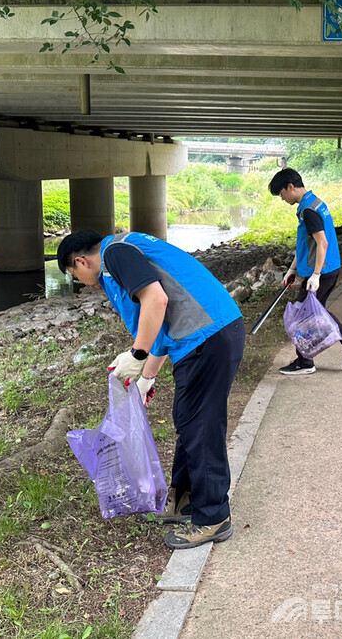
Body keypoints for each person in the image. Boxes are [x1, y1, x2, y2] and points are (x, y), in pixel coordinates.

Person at [57, 229, 245, 550]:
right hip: (205, 338)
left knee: (201, 426)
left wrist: (138, 355)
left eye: (75, 275)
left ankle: (213, 516)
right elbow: (156, 320)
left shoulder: (114, 254)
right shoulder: (121, 254)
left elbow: (156, 300)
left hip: (208, 337)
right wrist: (148, 376)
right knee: (187, 419)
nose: (79, 280)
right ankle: (187, 500)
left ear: (80, 261)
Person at [268, 168, 342, 376]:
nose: (282, 199)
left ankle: (306, 361)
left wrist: (316, 274)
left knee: (304, 315)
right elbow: (306, 244)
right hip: (324, 269)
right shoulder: (312, 203)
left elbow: (322, 242)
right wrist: (293, 269)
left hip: (322, 271)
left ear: (290, 187)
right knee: (314, 312)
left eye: (281, 194)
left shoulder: (309, 210)